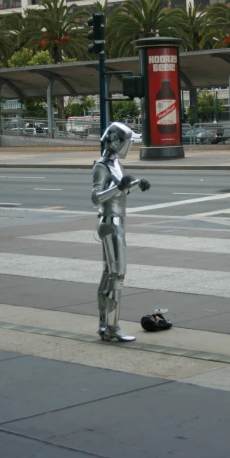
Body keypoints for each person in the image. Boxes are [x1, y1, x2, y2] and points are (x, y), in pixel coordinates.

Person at [91, 122, 151, 342]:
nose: (128, 146)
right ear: (115, 141)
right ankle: (112, 326)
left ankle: (105, 325)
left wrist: (136, 185)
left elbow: (120, 190)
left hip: (115, 222)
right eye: (126, 142)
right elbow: (96, 197)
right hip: (110, 223)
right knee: (117, 275)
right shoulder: (102, 165)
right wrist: (120, 186)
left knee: (110, 274)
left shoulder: (114, 164)